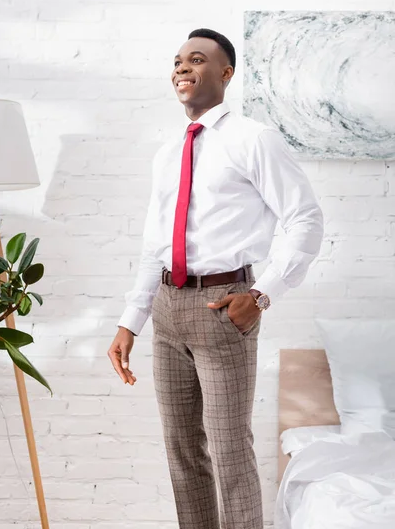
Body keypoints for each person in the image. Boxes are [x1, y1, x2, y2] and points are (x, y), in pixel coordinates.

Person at [108, 28, 324, 529]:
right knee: (183, 456)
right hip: (166, 310)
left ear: (226, 74)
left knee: (230, 454)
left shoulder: (254, 139)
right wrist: (130, 321)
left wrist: (261, 295)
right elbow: (153, 244)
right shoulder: (168, 154)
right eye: (178, 60)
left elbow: (305, 220)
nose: (183, 67)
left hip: (225, 308)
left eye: (198, 59)